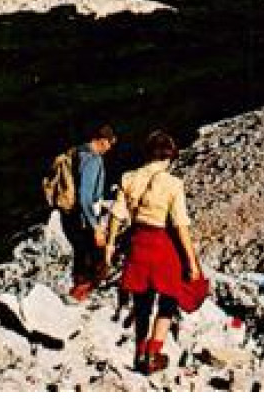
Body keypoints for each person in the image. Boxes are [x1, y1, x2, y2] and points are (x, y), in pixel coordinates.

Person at [105, 130, 207, 375]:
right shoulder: (173, 183)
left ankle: (139, 352)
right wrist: (192, 262)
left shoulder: (129, 178)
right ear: (169, 156)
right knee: (169, 298)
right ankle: (153, 352)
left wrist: (109, 245)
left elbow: (117, 214)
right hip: (163, 246)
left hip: (138, 243)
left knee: (142, 301)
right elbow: (180, 224)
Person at [63, 124, 117, 301]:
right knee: (94, 256)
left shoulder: (75, 153)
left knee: (80, 253)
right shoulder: (93, 160)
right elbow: (86, 197)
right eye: (109, 144)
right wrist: (96, 227)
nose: (109, 149)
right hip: (84, 217)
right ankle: (81, 294)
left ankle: (77, 292)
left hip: (70, 214)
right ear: (102, 141)